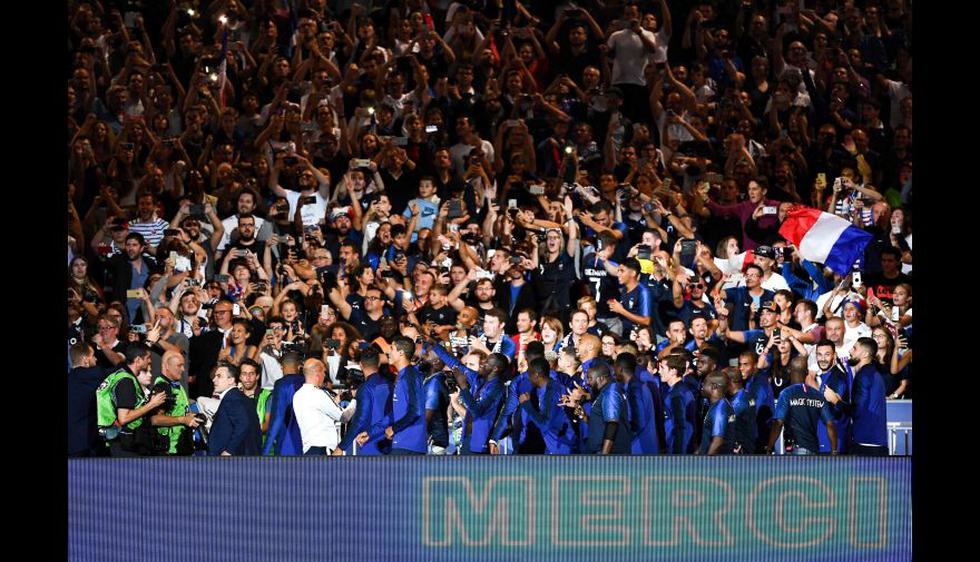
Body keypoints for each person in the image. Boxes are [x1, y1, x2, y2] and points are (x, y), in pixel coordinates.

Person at [95, 344, 168, 457]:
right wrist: (152, 404)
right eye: (147, 358)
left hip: (120, 440)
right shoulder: (126, 381)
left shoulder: (120, 374)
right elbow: (124, 418)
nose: (150, 361)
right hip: (123, 443)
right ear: (138, 360)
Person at [823, 337, 889, 456]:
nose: (850, 351)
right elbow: (863, 408)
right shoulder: (873, 373)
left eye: (854, 348)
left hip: (866, 445)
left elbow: (857, 411)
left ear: (865, 354)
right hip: (874, 442)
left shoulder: (863, 375)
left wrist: (835, 401)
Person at [767, 357, 838, 455]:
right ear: (806, 372)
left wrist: (769, 448)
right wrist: (834, 450)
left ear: (789, 371)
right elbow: (830, 423)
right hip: (814, 449)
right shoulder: (818, 395)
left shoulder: (786, 393)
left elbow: (778, 422)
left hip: (796, 450)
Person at [378, 337, 427, 455]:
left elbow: (416, 411)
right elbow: (397, 411)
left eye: (392, 348)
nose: (388, 352)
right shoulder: (403, 375)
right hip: (402, 444)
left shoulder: (410, 376)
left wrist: (394, 428)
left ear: (401, 353)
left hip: (409, 446)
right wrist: (371, 432)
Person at [519, 357, 576, 455]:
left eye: (529, 373)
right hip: (551, 447)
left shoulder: (553, 392)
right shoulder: (541, 390)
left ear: (536, 375)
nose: (527, 377)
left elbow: (545, 424)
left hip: (562, 450)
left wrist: (526, 405)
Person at [455, 353, 508, 455]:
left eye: (487, 362)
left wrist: (463, 387)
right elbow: (455, 363)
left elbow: (477, 411)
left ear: (495, 368)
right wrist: (434, 345)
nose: (482, 363)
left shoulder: (497, 388)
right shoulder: (479, 380)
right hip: (467, 439)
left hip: (480, 444)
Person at [149, 350, 200, 455]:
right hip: (170, 452)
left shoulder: (176, 385)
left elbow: (179, 411)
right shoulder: (163, 387)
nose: (183, 369)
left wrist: (191, 416)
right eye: (179, 365)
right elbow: (155, 419)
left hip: (182, 447)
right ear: (167, 366)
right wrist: (183, 419)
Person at [208, 362, 262, 456]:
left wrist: (229, 451)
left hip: (231, 461)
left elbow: (243, 424)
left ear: (231, 380)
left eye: (219, 376)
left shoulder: (232, 398)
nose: (214, 380)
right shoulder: (240, 397)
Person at [292, 358, 345, 455]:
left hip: (308, 451)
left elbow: (317, 411)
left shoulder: (297, 395)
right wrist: (355, 400)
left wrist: (334, 402)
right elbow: (343, 417)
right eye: (324, 372)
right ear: (317, 373)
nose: (325, 375)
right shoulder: (319, 394)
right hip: (322, 450)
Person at [67, 343, 109, 457]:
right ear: (85, 360)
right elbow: (121, 370)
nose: (95, 359)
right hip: (87, 446)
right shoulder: (93, 374)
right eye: (93, 356)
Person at [582, 361, 632, 455]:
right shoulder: (604, 391)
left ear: (601, 378)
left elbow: (612, 425)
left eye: (590, 378)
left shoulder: (610, 392)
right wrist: (584, 417)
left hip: (609, 452)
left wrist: (604, 455)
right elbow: (600, 424)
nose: (587, 382)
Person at [262, 351, 306, 456]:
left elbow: (277, 417)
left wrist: (265, 451)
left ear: (282, 367)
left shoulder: (281, 384)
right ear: (299, 367)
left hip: (287, 443)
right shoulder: (307, 382)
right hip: (306, 442)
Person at [614, 352, 659, 454]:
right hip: (642, 445)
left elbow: (639, 421)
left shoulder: (635, 388)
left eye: (615, 367)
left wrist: (623, 440)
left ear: (620, 369)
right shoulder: (634, 386)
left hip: (640, 447)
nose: (613, 371)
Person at [660, 354, 696, 454]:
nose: (659, 371)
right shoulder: (680, 390)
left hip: (678, 447)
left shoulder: (677, 394)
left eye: (662, 368)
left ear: (673, 371)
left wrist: (677, 453)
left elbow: (680, 426)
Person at [698, 372, 735, 455]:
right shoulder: (719, 405)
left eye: (704, 383)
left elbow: (717, 443)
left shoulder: (719, 410)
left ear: (714, 386)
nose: (702, 386)